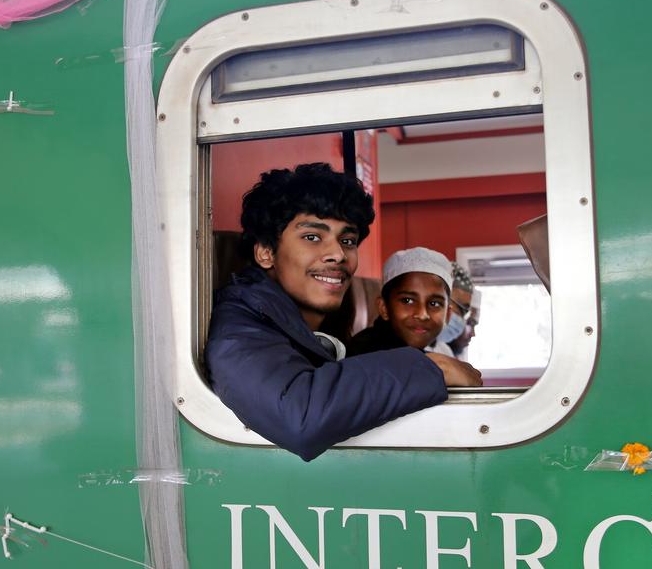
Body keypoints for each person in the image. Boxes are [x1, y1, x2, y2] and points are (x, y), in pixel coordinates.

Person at [205, 163, 482, 461]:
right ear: (266, 253)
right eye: (312, 237)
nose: (338, 253)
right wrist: (433, 368)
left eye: (347, 241)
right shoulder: (240, 321)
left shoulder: (320, 327)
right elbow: (299, 415)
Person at [347, 247, 455, 355]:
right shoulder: (368, 355)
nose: (422, 315)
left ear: (448, 315)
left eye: (434, 304)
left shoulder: (420, 356)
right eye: (407, 301)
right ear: (384, 308)